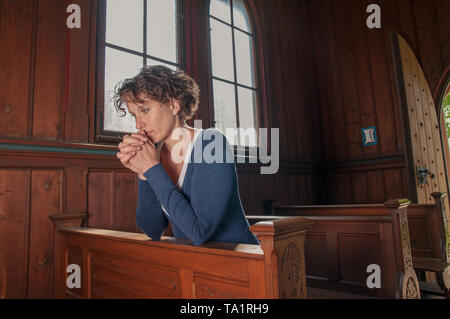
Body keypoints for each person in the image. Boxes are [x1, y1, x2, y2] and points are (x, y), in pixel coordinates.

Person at [115, 65, 259, 246]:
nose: (138, 124)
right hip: (194, 264)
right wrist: (144, 174)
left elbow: (198, 232)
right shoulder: (154, 154)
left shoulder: (210, 143)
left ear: (174, 105)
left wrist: (151, 168)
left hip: (244, 263)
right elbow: (152, 229)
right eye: (134, 115)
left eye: (145, 110)